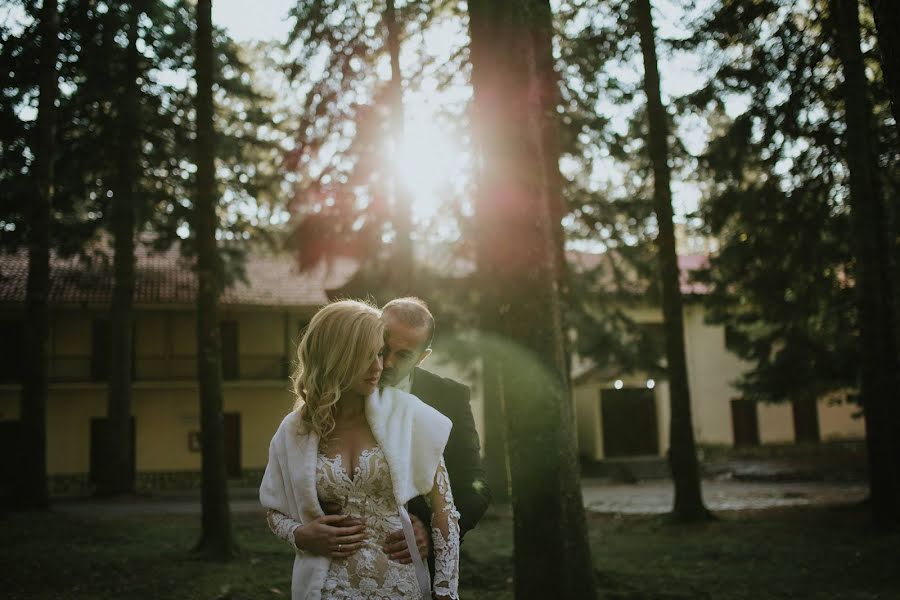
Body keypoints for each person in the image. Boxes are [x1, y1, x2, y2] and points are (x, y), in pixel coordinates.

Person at [259, 299, 460, 600]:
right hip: (325, 588)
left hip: (401, 586)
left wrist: (445, 592)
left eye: (379, 353)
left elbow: (444, 511)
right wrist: (301, 535)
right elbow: (274, 510)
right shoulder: (295, 430)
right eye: (367, 357)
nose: (380, 366)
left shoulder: (407, 415)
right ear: (337, 356)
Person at [377, 297, 491, 569]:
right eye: (383, 349)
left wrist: (433, 533)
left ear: (423, 357)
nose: (387, 363)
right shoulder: (342, 388)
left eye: (403, 355)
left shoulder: (450, 397)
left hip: (412, 562)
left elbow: (476, 486)